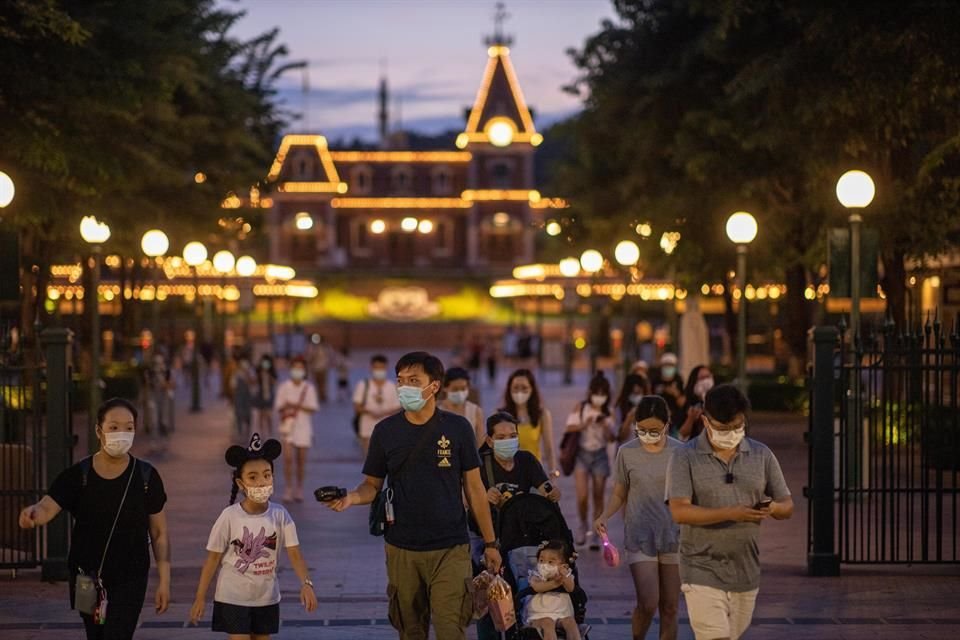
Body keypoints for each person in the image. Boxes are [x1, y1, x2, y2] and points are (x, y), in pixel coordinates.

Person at [327, 351, 502, 640]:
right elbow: (372, 484)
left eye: (413, 380)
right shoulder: (385, 431)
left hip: (451, 548)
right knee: (411, 631)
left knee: (450, 629)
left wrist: (490, 542)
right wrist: (351, 498)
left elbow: (474, 488)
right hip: (402, 549)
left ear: (434, 386)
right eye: (400, 380)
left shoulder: (458, 429)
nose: (403, 387)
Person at [19, 398, 170, 640]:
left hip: (131, 575)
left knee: (117, 634)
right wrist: (34, 514)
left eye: (128, 427)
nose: (122, 433)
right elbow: (49, 505)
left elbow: (159, 532)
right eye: (113, 427)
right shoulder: (78, 476)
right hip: (85, 576)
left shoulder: (146, 477)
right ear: (99, 430)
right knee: (95, 634)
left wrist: (164, 580)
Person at [666, 384, 794, 640]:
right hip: (700, 568)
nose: (731, 433)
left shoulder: (761, 455)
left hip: (745, 571)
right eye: (723, 428)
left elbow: (787, 505)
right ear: (705, 420)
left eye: (737, 426)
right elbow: (679, 512)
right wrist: (730, 513)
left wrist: (772, 508)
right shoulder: (684, 457)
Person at [190, 433, 317, 636]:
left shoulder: (280, 514)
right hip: (232, 597)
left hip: (266, 598)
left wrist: (306, 583)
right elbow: (213, 558)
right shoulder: (229, 516)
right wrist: (200, 597)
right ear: (241, 484)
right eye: (253, 477)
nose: (261, 482)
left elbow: (295, 554)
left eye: (267, 475)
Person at [595, 396, 682, 640]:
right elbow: (620, 492)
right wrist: (603, 515)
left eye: (654, 430)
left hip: (674, 536)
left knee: (670, 607)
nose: (648, 435)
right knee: (648, 602)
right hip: (640, 535)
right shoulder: (627, 452)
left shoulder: (680, 452)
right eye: (642, 430)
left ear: (667, 425)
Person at [565, 372, 616, 549]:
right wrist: (584, 424)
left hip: (600, 455)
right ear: (590, 392)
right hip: (582, 454)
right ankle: (582, 525)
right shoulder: (581, 407)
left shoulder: (609, 412)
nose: (599, 397)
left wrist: (606, 426)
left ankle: (596, 533)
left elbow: (611, 438)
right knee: (582, 496)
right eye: (596, 392)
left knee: (599, 495)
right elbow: (569, 426)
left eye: (603, 394)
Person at [273, 357, 319, 502]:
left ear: (304, 371)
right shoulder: (284, 387)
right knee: (287, 459)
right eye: (295, 368)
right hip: (288, 427)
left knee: (301, 460)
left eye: (300, 368)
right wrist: (286, 406)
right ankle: (288, 488)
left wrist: (295, 404)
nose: (297, 371)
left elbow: (313, 408)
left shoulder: (308, 387)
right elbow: (278, 405)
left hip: (304, 428)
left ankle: (299, 488)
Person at [501, 368, 558, 475]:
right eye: (516, 388)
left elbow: (549, 449)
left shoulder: (542, 415)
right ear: (509, 389)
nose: (519, 392)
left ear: (532, 389)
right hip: (506, 475)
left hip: (533, 474)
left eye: (524, 388)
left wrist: (553, 472)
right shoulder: (500, 415)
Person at [527, 539, 581, 640]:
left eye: (551, 562)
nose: (544, 565)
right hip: (538, 614)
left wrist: (564, 575)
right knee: (548, 622)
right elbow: (537, 587)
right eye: (541, 560)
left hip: (562, 613)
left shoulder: (564, 575)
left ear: (563, 564)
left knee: (571, 622)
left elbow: (571, 588)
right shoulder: (536, 575)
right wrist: (555, 583)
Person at [354, 354, 401, 456]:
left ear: (386, 368)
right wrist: (370, 412)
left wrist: (383, 412)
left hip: (388, 431)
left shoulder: (392, 386)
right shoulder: (363, 385)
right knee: (369, 461)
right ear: (371, 368)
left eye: (382, 368)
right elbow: (357, 406)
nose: (379, 370)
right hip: (367, 430)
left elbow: (398, 407)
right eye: (376, 368)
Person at [439, 367, 484, 445]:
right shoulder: (436, 410)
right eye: (455, 389)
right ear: (445, 388)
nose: (459, 393)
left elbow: (480, 442)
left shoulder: (475, 411)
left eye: (463, 389)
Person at [672, 365, 714, 441]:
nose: (706, 381)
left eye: (708, 377)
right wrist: (691, 418)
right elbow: (681, 435)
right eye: (702, 378)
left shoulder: (719, 400)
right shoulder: (688, 403)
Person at [614, 373, 652, 443]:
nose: (637, 396)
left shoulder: (649, 407)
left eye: (639, 393)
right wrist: (629, 418)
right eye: (634, 393)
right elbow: (621, 437)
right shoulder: (620, 408)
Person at [252, 354, 278, 437]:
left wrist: (268, 376)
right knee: (261, 415)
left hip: (269, 395)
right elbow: (254, 382)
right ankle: (262, 433)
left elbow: (275, 382)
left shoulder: (272, 372)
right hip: (260, 395)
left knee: (269, 416)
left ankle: (270, 433)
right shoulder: (258, 371)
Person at [652, 353, 684, 417]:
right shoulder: (656, 380)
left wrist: (676, 393)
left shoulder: (678, 380)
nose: (668, 367)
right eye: (666, 365)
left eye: (671, 365)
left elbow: (682, 403)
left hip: (676, 418)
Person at [231, 356, 255, 438]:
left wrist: (248, 377)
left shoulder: (250, 374)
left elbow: (253, 385)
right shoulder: (236, 375)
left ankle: (248, 432)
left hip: (247, 398)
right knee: (239, 415)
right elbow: (233, 386)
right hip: (239, 398)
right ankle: (240, 432)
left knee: (248, 415)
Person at [308, 334, 330, 404]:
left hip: (323, 368)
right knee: (316, 383)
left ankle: (322, 396)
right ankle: (317, 395)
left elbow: (329, 356)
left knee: (323, 383)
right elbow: (309, 358)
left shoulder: (325, 347)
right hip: (315, 368)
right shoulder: (311, 347)